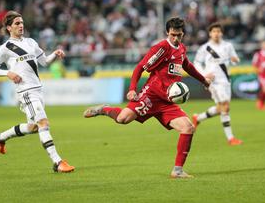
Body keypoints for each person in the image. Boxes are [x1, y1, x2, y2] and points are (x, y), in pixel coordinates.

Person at [83, 17, 211, 178]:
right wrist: (132, 89)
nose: (176, 38)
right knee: (123, 119)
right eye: (173, 35)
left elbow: (188, 66)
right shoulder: (161, 48)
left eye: (179, 35)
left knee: (188, 128)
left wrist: (204, 80)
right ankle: (104, 109)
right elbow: (139, 68)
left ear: (183, 34)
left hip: (167, 102)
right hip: (150, 96)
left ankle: (177, 170)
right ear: (167, 32)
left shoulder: (181, 49)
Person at [0, 11, 74, 173]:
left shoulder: (31, 42)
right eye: (17, 24)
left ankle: (1, 137)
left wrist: (55, 54)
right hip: (26, 92)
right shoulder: (5, 48)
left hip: (38, 90)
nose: (21, 26)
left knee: (33, 127)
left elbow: (44, 62)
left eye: (21, 23)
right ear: (8, 28)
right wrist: (8, 73)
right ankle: (57, 162)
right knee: (43, 124)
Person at [192, 22, 243, 146]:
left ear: (222, 33)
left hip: (225, 80)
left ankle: (198, 118)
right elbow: (196, 63)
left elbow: (235, 59)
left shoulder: (228, 46)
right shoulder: (204, 48)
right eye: (214, 31)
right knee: (225, 107)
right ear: (210, 33)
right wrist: (204, 74)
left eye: (218, 31)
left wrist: (235, 60)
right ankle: (231, 138)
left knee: (221, 108)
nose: (216, 34)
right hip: (213, 82)